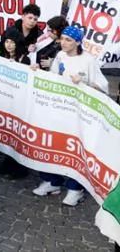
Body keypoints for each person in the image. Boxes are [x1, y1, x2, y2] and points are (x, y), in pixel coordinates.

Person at [33, 26, 107, 206]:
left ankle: (75, 188)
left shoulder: (88, 60)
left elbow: (103, 87)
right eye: (62, 39)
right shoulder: (60, 56)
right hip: (59, 110)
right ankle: (52, 181)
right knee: (54, 143)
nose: (63, 43)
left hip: (79, 114)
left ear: (78, 42)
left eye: (68, 40)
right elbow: (52, 78)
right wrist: (37, 70)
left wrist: (84, 82)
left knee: (75, 149)